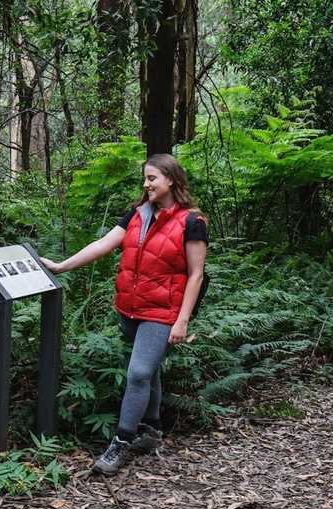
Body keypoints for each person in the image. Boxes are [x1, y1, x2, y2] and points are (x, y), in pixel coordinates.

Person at [39, 153, 209, 474]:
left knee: (139, 373)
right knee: (150, 369)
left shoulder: (191, 222)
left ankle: (121, 441)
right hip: (130, 309)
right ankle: (151, 429)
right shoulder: (137, 213)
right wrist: (62, 265)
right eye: (144, 179)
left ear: (171, 180)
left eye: (152, 179)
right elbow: (104, 243)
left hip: (163, 311)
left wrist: (182, 319)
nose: (146, 185)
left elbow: (196, 274)